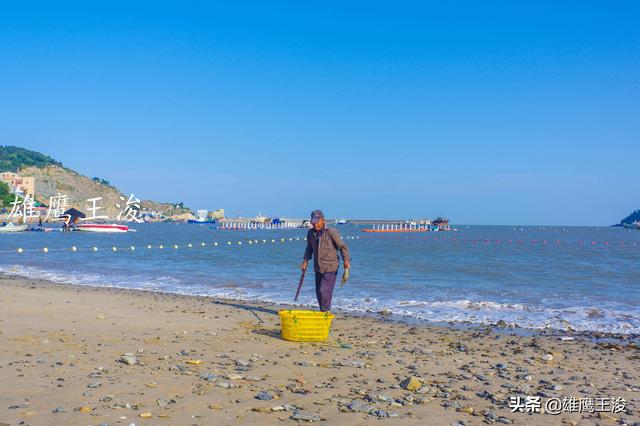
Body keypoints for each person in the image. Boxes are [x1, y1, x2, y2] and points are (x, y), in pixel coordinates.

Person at [301, 210, 350, 312]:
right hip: (318, 267)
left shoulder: (331, 232)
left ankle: (325, 311)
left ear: (322, 220)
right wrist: (305, 260)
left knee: (324, 290)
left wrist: (346, 260)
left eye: (316, 222)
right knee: (319, 292)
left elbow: (342, 246)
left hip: (330, 267)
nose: (314, 225)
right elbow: (309, 248)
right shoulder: (310, 233)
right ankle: (323, 312)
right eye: (313, 223)